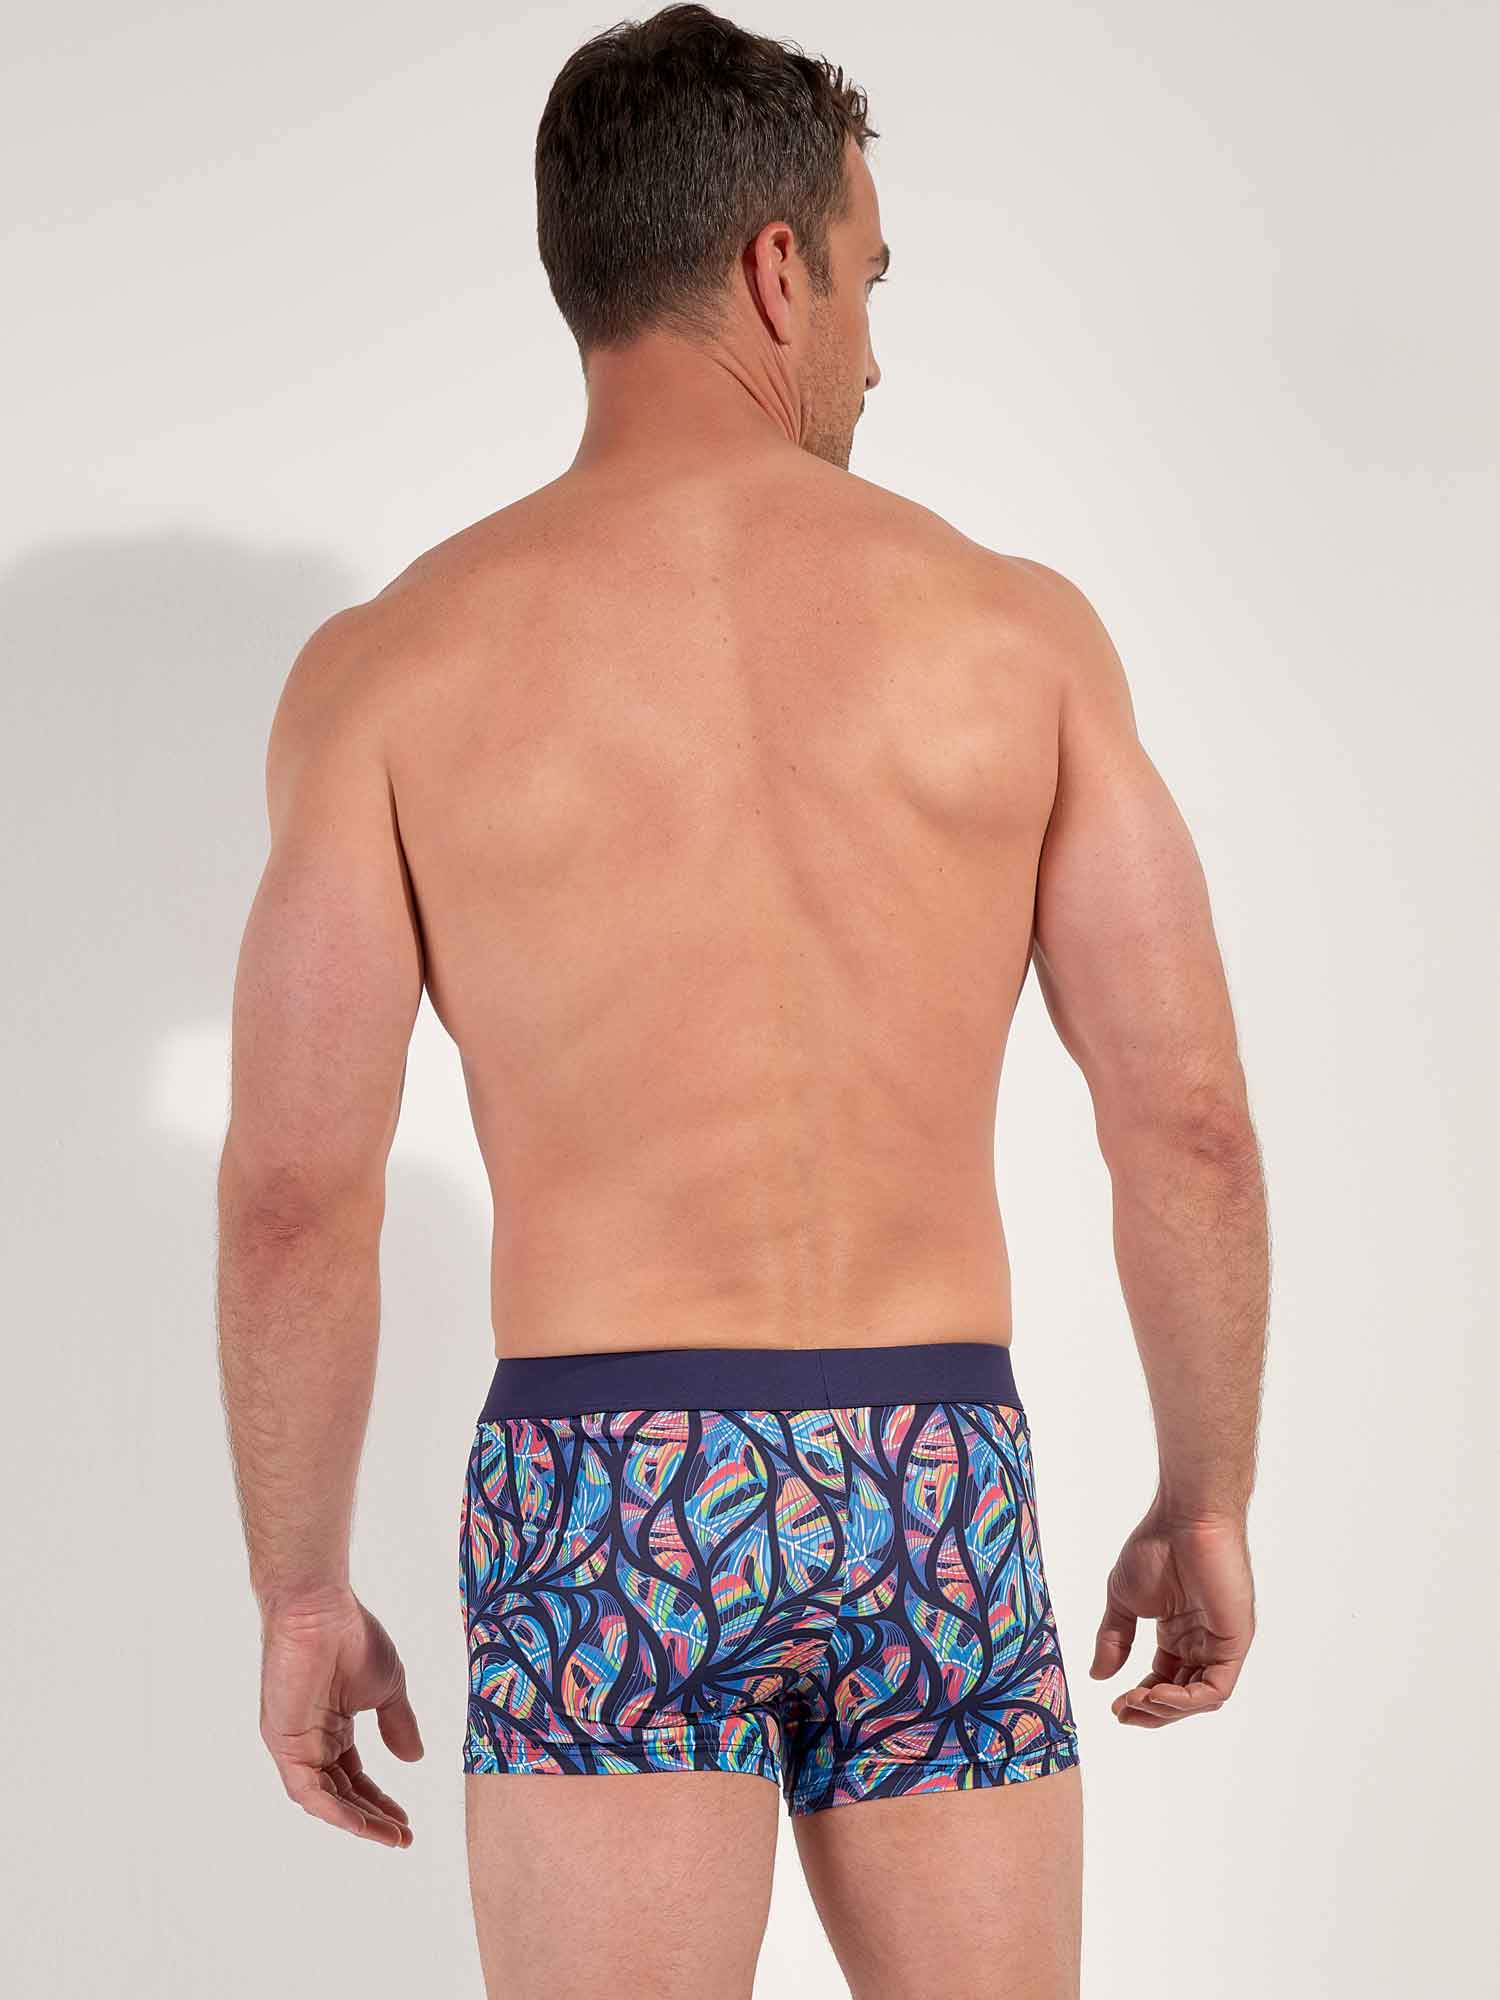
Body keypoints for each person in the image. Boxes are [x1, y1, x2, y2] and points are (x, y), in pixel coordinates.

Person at [215, 6, 1270, 1995]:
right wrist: (1205, 1495)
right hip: (933, 1472)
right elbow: (1188, 1122)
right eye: (870, 279)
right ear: (779, 270)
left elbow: (294, 1193)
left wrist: (297, 1588)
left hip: (607, 1494)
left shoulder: (393, 673)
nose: (874, 349)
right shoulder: (1019, 640)